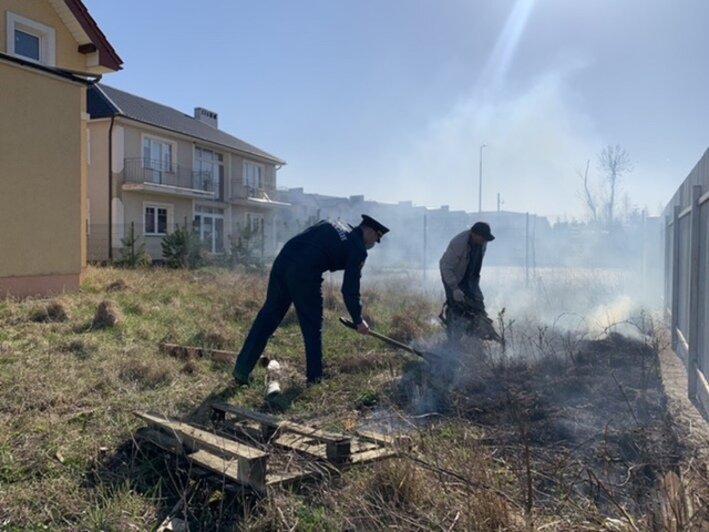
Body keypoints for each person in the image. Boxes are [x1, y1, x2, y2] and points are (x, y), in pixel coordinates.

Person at [232, 214, 389, 386]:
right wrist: (358, 320)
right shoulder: (358, 248)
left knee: (268, 315)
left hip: (284, 260)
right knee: (312, 327)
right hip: (305, 272)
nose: (372, 243)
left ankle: (242, 368)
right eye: (375, 238)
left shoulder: (335, 222)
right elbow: (350, 289)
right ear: (371, 232)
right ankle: (314, 380)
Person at [439, 221, 496, 339]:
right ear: (474, 234)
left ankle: (476, 337)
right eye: (483, 238)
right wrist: (454, 288)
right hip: (452, 277)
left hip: (470, 278)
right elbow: (445, 266)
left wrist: (474, 291)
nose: (485, 241)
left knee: (478, 308)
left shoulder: (482, 243)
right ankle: (453, 339)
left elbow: (474, 269)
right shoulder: (458, 243)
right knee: (456, 307)